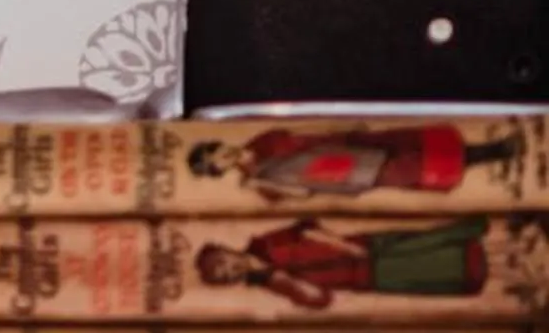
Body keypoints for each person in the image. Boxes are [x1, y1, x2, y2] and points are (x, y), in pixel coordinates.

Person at [193, 216, 490, 311]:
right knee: (429, 272)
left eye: (224, 262)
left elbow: (306, 229)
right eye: (225, 275)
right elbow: (321, 299)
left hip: (361, 248)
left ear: (227, 251)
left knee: (425, 244)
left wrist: (345, 245)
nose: (231, 269)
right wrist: (286, 281)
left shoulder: (265, 244)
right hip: (362, 277)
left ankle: (492, 241)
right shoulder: (270, 283)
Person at [188, 124, 520, 199]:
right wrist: (259, 180)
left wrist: (341, 131)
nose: (224, 156)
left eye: (217, 151)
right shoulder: (258, 181)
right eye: (218, 163)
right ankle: (495, 154)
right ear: (221, 171)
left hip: (341, 145)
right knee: (411, 166)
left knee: (413, 142)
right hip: (342, 172)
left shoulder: (260, 140)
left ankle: (490, 148)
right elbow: (302, 194)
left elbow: (302, 135)